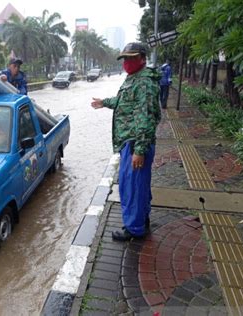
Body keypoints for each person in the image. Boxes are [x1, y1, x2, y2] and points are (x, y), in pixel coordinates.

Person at [91, 42, 161, 241]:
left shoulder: (144, 83)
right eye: (125, 59)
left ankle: (134, 228)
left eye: (131, 58)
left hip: (135, 143)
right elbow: (124, 103)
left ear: (142, 58)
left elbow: (146, 117)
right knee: (138, 185)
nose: (127, 62)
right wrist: (104, 102)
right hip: (131, 142)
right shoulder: (135, 78)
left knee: (131, 187)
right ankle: (141, 220)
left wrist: (139, 150)